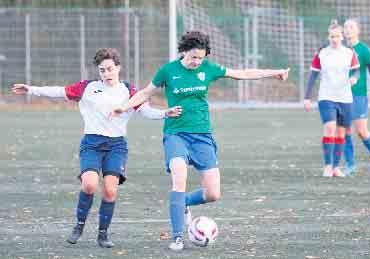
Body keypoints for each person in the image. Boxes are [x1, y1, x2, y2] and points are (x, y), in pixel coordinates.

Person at [111, 31, 289, 251]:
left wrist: (275, 73)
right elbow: (145, 93)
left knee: (213, 193)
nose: (197, 62)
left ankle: (182, 203)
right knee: (179, 178)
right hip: (175, 134)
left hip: (202, 136)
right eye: (193, 57)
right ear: (184, 51)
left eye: (200, 58)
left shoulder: (209, 69)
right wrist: (124, 106)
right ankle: (177, 237)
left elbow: (243, 73)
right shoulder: (168, 70)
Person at [11, 48, 182, 248]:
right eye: (102, 70)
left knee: (110, 191)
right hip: (92, 143)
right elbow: (59, 91)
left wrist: (165, 113)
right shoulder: (88, 87)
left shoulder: (130, 91)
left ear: (118, 67)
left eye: (110, 69)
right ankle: (79, 225)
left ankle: (103, 234)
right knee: (90, 184)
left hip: (116, 146)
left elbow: (146, 111)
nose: (107, 73)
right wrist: (31, 89)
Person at [304, 20, 360, 178]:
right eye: (331, 36)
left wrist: (354, 79)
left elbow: (356, 71)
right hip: (326, 97)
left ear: (342, 37)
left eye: (337, 36)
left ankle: (336, 167)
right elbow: (313, 75)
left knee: (341, 134)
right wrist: (307, 97)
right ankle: (328, 166)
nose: (334, 39)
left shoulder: (349, 53)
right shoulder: (322, 53)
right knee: (329, 128)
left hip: (345, 98)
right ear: (328, 37)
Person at [343, 18, 370, 176]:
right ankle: (350, 165)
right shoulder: (340, 49)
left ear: (357, 30)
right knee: (345, 130)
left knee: (361, 131)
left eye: (351, 27)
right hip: (341, 95)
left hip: (359, 95)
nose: (348, 30)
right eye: (346, 27)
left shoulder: (364, 49)